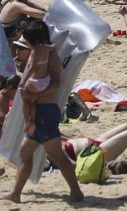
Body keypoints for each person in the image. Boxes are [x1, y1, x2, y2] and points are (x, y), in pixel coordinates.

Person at [6, 20, 85, 204]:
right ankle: (16, 193)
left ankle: (76, 192)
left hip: (45, 112)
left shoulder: (53, 58)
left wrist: (34, 95)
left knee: (57, 156)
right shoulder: (40, 54)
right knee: (25, 153)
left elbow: (56, 85)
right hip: (39, 112)